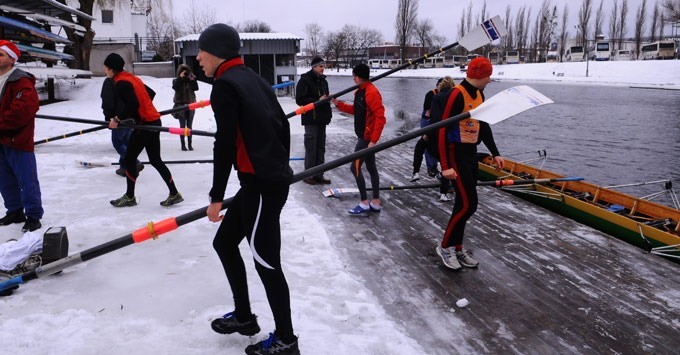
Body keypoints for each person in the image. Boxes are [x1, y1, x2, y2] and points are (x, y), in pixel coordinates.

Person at [197, 24, 299, 355]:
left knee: (266, 263)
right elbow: (282, 124)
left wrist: (215, 197)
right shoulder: (252, 78)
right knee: (225, 243)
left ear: (215, 53)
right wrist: (280, 167)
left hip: (261, 185)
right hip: (263, 181)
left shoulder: (225, 85)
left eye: (201, 52)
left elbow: (224, 144)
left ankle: (286, 341)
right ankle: (243, 317)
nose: (198, 58)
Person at [430, 57, 504, 270]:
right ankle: (445, 247)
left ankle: (458, 248)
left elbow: (484, 125)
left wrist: (495, 153)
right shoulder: (456, 94)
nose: (490, 80)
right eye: (488, 75)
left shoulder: (480, 94)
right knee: (467, 204)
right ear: (480, 75)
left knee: (465, 204)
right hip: (455, 154)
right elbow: (442, 129)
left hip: (470, 153)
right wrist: (445, 166)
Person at [104, 53, 183, 208]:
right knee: (154, 159)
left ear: (112, 69)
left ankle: (129, 197)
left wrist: (117, 119)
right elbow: (149, 94)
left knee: (129, 158)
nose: (105, 71)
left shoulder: (121, 83)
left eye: (106, 68)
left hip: (146, 125)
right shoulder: (131, 78)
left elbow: (133, 105)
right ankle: (174, 193)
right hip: (152, 122)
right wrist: (138, 114)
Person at [0, 40, 43, 232]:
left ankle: (33, 215)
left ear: (11, 59)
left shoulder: (21, 82)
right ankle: (14, 210)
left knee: (27, 180)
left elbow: (22, 111)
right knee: (4, 179)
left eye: (0, 54)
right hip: (1, 140)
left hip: (18, 139)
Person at [332, 63, 386, 215]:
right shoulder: (360, 92)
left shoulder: (371, 92)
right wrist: (338, 104)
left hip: (366, 138)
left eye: (354, 75)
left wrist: (373, 141)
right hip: (364, 137)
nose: (353, 78)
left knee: (354, 167)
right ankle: (375, 202)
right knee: (371, 167)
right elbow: (356, 110)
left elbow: (380, 118)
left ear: (360, 76)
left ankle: (364, 203)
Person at [295, 56, 332, 185]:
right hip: (311, 119)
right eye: (321, 66)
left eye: (324, 66)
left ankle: (319, 174)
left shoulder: (323, 81)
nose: (323, 69)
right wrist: (317, 100)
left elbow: (325, 98)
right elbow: (300, 100)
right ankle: (308, 174)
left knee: (320, 147)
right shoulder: (304, 81)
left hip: (322, 119)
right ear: (314, 67)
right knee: (311, 147)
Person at [101, 77, 143, 177]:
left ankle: (135, 162)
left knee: (118, 143)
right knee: (126, 143)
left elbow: (107, 100)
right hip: (129, 117)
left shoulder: (111, 81)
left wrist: (109, 117)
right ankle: (124, 167)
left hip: (118, 118)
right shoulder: (128, 80)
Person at [409, 78, 441, 182]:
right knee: (426, 142)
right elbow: (427, 111)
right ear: (437, 85)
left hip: (437, 121)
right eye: (440, 85)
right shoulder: (431, 94)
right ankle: (431, 167)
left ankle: (433, 167)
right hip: (428, 121)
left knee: (434, 144)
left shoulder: (445, 95)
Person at [172, 64, 199, 151]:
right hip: (180, 105)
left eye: (186, 71)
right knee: (182, 126)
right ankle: (183, 145)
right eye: (183, 71)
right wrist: (180, 78)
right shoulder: (176, 80)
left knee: (190, 126)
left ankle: (190, 144)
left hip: (191, 105)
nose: (185, 73)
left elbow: (196, 88)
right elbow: (175, 87)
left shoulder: (191, 79)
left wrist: (192, 79)